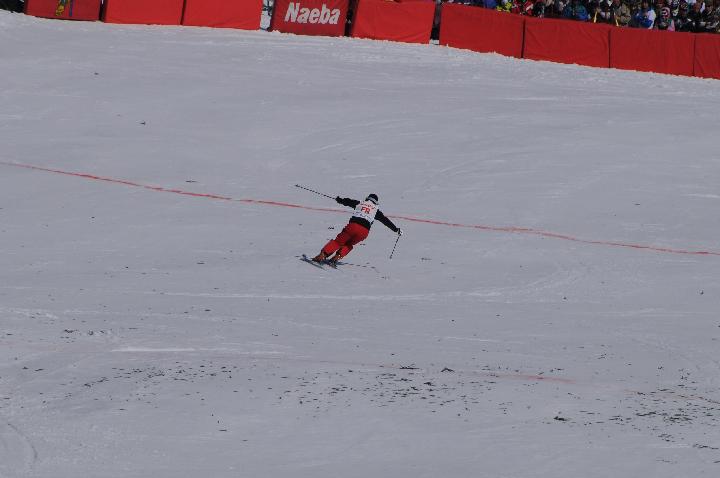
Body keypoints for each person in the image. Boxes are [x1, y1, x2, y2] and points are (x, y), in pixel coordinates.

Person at [312, 194, 402, 264]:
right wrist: (396, 229)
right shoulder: (376, 210)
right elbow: (385, 221)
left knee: (338, 241)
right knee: (349, 244)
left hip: (353, 226)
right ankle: (336, 258)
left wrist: (339, 200)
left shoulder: (361, 203)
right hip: (364, 232)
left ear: (368, 198)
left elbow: (348, 202)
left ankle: (322, 255)